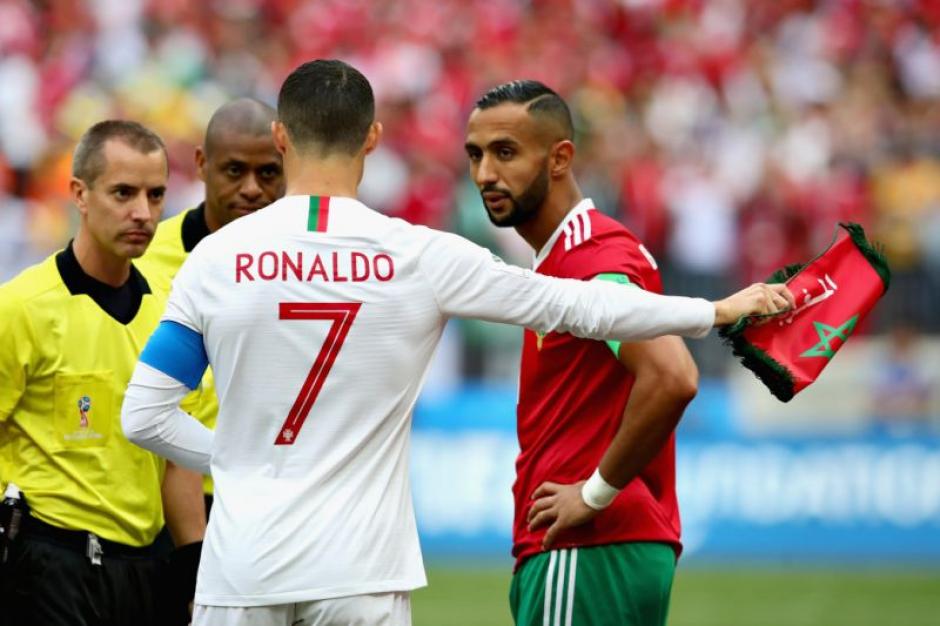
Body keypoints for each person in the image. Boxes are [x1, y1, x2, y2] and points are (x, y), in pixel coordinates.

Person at [120, 59, 792, 626]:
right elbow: (573, 302)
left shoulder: (217, 256)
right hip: (361, 572)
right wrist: (712, 309)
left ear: (280, 137)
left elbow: (143, 414)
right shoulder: (419, 254)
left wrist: (239, 460)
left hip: (240, 568)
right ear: (373, 138)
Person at [463, 79, 702, 626]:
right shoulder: (569, 256)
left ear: (559, 158)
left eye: (505, 153)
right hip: (606, 546)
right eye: (475, 155)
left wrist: (594, 494)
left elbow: (672, 375)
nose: (484, 175)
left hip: (586, 546)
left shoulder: (590, 259)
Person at [0, 120, 205, 625]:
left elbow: (178, 461)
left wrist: (195, 572)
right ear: (80, 195)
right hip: (48, 565)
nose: (143, 212)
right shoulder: (22, 308)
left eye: (155, 195)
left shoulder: (173, 314)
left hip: (146, 568)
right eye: (123, 193)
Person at [139, 97, 285, 515]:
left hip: (268, 499)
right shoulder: (147, 261)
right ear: (202, 164)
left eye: (269, 172)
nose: (253, 187)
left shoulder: (307, 266)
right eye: (235, 170)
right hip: (166, 501)